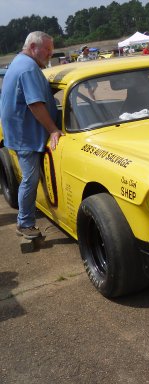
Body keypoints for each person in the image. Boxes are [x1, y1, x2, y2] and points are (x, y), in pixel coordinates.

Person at [0, 31, 63, 239]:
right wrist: (54, 129)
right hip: (25, 136)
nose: (50, 54)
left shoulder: (19, 63)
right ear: (33, 47)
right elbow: (35, 104)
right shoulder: (28, 68)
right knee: (30, 178)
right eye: (47, 50)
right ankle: (25, 223)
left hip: (20, 132)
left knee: (30, 177)